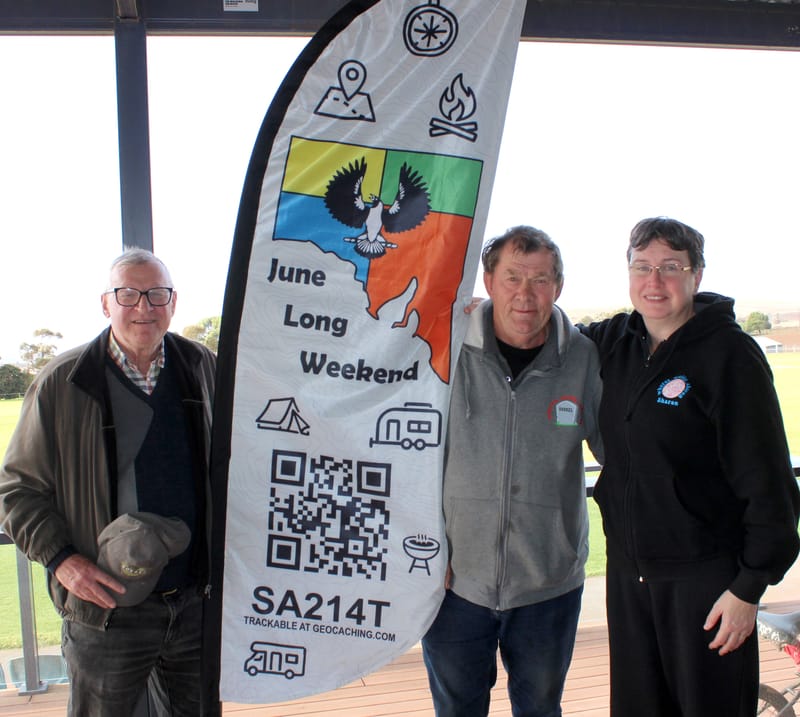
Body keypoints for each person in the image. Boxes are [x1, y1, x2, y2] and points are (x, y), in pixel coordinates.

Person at [580, 216, 800, 716]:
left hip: (708, 585)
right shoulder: (613, 341)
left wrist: (748, 590)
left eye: (670, 267)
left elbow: (768, 480)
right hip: (630, 578)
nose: (654, 282)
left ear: (696, 276)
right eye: (642, 267)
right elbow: (540, 336)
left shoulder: (730, 356)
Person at [0, 248, 216, 716]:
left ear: (173, 303)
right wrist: (62, 560)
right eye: (129, 294)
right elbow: (16, 491)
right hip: (106, 612)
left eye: (156, 294)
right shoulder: (64, 382)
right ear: (105, 305)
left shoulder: (203, 369)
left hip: (196, 604)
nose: (144, 306)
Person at [422, 225, 603, 717]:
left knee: (541, 710)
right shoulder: (444, 344)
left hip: (549, 585)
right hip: (454, 583)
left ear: (558, 286)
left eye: (541, 279)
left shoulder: (584, 359)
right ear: (489, 279)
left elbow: (623, 457)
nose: (526, 294)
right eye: (513, 277)